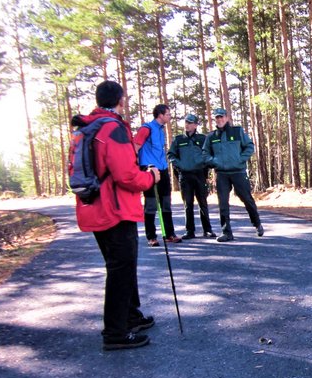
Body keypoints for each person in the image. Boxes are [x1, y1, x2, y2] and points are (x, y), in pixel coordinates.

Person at [72, 80, 160, 350]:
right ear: (121, 100)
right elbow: (126, 176)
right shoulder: (113, 129)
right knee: (121, 270)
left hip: (94, 206)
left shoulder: (86, 128)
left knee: (122, 265)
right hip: (116, 209)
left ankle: (130, 316)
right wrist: (150, 177)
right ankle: (115, 333)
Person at [202, 108, 264, 242]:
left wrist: (240, 159)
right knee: (223, 203)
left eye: (222, 117)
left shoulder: (237, 131)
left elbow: (249, 146)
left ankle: (257, 223)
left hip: (238, 172)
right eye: (217, 118)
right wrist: (214, 162)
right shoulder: (211, 137)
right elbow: (205, 153)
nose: (219, 120)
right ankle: (226, 232)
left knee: (247, 199)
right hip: (222, 174)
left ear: (227, 118)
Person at [135, 104, 181, 247]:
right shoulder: (146, 128)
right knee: (151, 205)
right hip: (149, 170)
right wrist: (139, 168)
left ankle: (169, 234)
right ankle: (151, 237)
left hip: (162, 169)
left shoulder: (161, 131)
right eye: (167, 114)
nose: (169, 116)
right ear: (160, 115)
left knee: (166, 203)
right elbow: (134, 147)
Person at [167, 113, 216, 239]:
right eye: (186, 122)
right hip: (185, 175)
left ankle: (207, 229)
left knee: (203, 202)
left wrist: (205, 164)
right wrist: (180, 165)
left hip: (200, 174)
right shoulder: (179, 139)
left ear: (195, 125)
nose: (187, 125)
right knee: (188, 204)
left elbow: (209, 153)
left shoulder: (202, 138)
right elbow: (171, 155)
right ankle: (190, 231)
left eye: (190, 123)